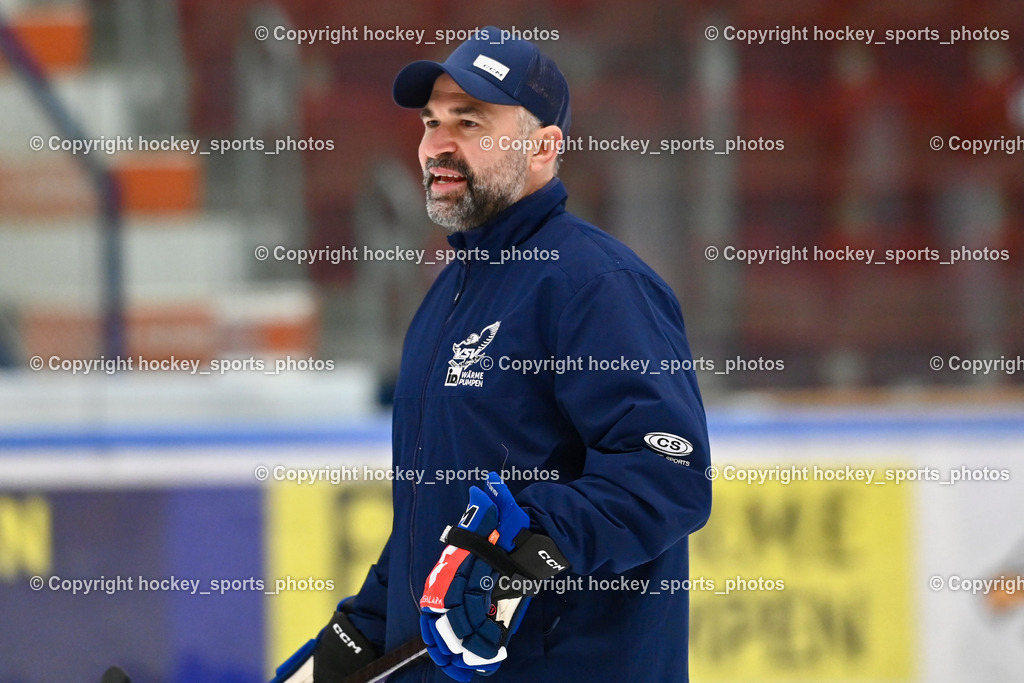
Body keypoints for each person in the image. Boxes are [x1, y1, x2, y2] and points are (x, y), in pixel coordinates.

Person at [270, 26, 712, 683]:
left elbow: (666, 472)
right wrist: (356, 637)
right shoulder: (448, 295)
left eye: (470, 122)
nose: (437, 146)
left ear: (543, 146)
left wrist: (532, 544)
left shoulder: (595, 284)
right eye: (432, 122)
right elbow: (435, 514)